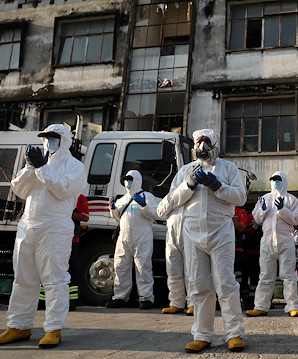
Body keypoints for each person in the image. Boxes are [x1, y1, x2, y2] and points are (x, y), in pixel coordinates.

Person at [0, 124, 85, 348]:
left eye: (53, 138)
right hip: (28, 227)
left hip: (55, 228)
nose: (48, 142)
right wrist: (31, 167)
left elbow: (63, 190)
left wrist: (42, 168)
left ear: (64, 140)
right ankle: (18, 326)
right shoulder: (37, 164)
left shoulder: (75, 166)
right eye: (45, 138)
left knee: (55, 281)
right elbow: (19, 190)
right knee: (23, 280)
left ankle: (53, 329)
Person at [157, 129, 247, 353]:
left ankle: (234, 333)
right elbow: (165, 206)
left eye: (207, 141)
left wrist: (218, 187)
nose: (202, 145)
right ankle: (202, 334)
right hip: (192, 233)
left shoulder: (228, 169)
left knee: (226, 283)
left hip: (221, 232)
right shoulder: (186, 171)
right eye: (199, 141)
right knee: (198, 286)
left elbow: (241, 198)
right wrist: (187, 186)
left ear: (215, 143)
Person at [246, 171, 298, 317]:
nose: (275, 182)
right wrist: (263, 210)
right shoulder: (264, 198)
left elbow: (295, 221)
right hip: (267, 242)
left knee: (289, 275)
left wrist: (283, 209)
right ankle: (261, 306)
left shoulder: (292, 200)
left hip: (285, 242)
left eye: (278, 180)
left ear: (284, 181)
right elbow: (257, 219)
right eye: (273, 180)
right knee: (265, 275)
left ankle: (292, 306)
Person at [106, 170, 159, 310]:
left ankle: (146, 298)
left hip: (142, 235)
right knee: (121, 266)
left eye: (130, 179)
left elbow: (153, 214)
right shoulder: (122, 199)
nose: (127, 182)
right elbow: (118, 217)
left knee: (143, 267)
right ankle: (120, 297)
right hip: (124, 236)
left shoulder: (147, 196)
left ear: (137, 180)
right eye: (125, 180)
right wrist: (112, 209)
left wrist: (144, 205)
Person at [158, 178, 194, 316]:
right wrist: (173, 198)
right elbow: (160, 211)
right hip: (172, 240)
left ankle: (193, 303)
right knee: (173, 271)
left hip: (190, 238)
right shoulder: (171, 199)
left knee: (192, 272)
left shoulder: (193, 198)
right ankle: (176, 302)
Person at [241, 216, 262, 310]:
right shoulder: (248, 216)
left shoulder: (268, 216)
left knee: (257, 278)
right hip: (248, 253)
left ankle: (254, 299)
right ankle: (245, 299)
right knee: (244, 277)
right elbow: (247, 233)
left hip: (261, 252)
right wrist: (255, 226)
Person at [233, 206, 249, 306]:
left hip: (236, 249)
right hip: (221, 247)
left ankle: (237, 299)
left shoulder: (241, 211)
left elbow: (241, 228)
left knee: (238, 275)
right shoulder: (220, 208)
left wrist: (231, 218)